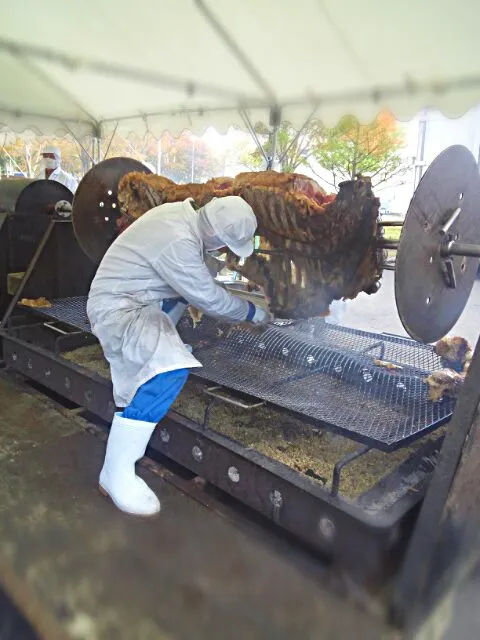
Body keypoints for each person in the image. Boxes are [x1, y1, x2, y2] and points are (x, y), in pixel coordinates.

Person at [87, 195, 270, 517]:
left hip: (141, 299)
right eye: (224, 244)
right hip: (120, 308)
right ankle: (116, 474)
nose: (223, 251)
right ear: (215, 233)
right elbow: (209, 299)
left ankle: (128, 429)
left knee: (156, 361)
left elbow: (197, 286)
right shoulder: (177, 241)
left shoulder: (180, 218)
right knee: (169, 372)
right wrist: (253, 312)